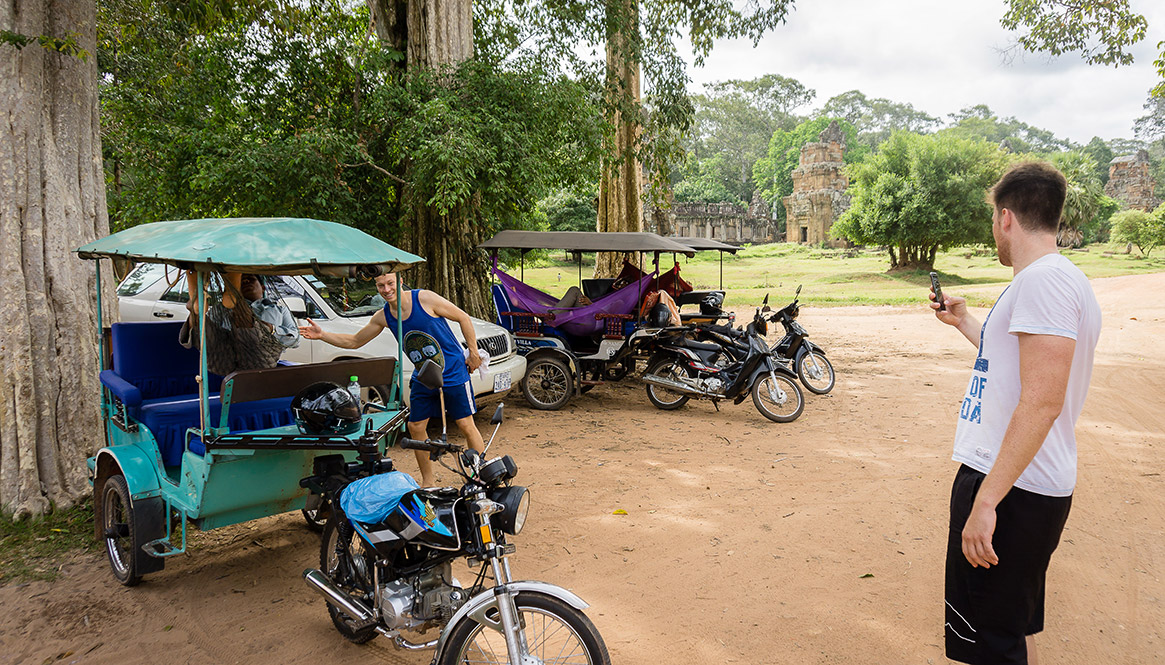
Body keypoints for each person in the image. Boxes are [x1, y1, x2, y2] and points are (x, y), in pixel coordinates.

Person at [931, 161, 1101, 665]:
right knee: (1001, 630)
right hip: (1022, 484)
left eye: (992, 221)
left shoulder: (1043, 283)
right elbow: (1017, 366)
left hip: (1012, 490)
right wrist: (966, 323)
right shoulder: (1057, 279)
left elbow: (1044, 400)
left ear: (1006, 218)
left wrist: (987, 502)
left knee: (991, 645)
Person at [298, 272, 484, 486]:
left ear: (400, 281)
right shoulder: (384, 316)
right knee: (415, 427)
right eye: (380, 286)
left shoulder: (425, 299)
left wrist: (473, 353)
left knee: (464, 423)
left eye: (390, 283)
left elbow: (463, 317)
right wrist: (322, 335)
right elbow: (355, 341)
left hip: (452, 370)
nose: (386, 290)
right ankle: (428, 481)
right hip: (423, 375)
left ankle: (479, 474)